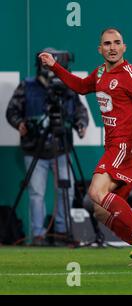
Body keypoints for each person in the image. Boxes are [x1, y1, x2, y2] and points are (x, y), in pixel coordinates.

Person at [39, 28, 132, 265]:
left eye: (117, 43)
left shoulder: (131, 76)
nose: (112, 47)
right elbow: (82, 86)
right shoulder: (101, 72)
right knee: (101, 211)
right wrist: (55, 66)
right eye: (107, 43)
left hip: (124, 146)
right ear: (100, 49)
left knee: (95, 192)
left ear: (124, 47)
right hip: (113, 146)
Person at [6, 48, 89, 246]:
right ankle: (38, 234)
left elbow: (80, 111)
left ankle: (61, 231)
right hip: (35, 147)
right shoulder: (27, 86)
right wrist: (20, 124)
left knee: (66, 190)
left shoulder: (67, 87)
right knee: (36, 192)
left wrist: (81, 125)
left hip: (62, 147)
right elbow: (12, 111)